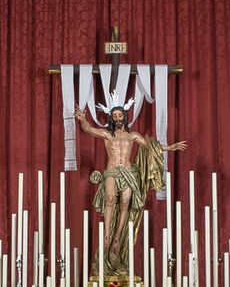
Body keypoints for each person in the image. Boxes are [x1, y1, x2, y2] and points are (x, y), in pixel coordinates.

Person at [74, 105, 185, 272]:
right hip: (112, 170)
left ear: (125, 117)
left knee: (126, 202)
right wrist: (83, 120)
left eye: (120, 115)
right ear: (111, 118)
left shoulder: (132, 136)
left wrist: (170, 147)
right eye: (115, 115)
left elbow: (151, 145)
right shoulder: (107, 134)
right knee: (110, 199)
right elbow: (89, 129)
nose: (118, 118)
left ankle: (117, 235)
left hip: (127, 172)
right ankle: (106, 233)